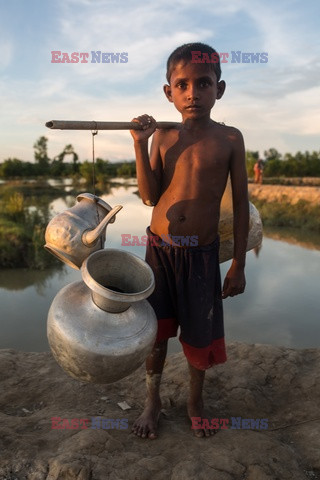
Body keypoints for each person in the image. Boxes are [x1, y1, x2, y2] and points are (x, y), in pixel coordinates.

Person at [130, 42, 249, 439]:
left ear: (220, 88)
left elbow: (243, 205)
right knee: (156, 332)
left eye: (203, 83)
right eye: (182, 84)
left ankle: (196, 403)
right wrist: (139, 143)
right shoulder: (162, 135)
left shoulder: (230, 139)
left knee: (199, 335)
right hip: (159, 251)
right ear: (169, 93)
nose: (192, 92)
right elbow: (148, 196)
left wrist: (238, 264)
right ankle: (153, 400)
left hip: (201, 256)